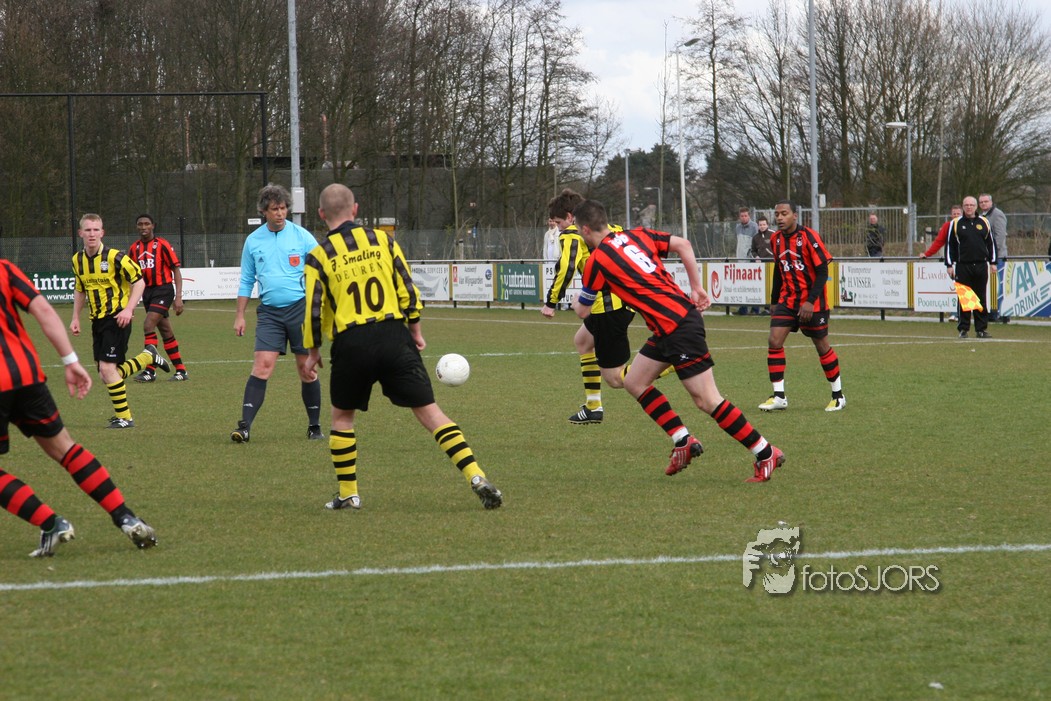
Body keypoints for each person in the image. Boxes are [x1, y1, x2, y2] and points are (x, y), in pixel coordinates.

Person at [300, 184, 502, 510]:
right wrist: (415, 329)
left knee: (342, 418)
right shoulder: (383, 240)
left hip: (351, 343)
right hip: (394, 335)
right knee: (431, 413)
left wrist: (312, 351)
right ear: (355, 209)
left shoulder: (318, 256)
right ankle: (476, 475)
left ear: (322, 215)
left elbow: (313, 308)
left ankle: (349, 494)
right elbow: (407, 287)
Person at [571, 199, 784, 483]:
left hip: (678, 327)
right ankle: (683, 440)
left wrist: (576, 299)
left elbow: (583, 311)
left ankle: (765, 452)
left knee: (707, 400)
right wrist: (696, 288)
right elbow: (683, 244)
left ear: (585, 229)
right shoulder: (637, 235)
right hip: (668, 326)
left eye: (578, 230)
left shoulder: (597, 260)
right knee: (634, 382)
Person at [1, 257, 156, 556]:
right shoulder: (4, 269)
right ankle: (126, 517)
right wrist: (70, 360)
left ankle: (50, 523)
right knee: (65, 449)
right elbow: (44, 310)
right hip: (26, 374)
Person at [230, 185, 323, 443]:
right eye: (274, 209)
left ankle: (314, 426)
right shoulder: (253, 241)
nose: (280, 213)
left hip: (300, 311)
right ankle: (244, 427)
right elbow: (246, 280)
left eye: (283, 208)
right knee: (262, 366)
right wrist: (240, 315)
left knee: (306, 370)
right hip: (270, 314)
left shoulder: (303, 237)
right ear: (263, 211)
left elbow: (321, 270)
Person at [541, 188, 636, 425]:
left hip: (608, 307)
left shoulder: (571, 235)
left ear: (570, 217)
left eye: (559, 222)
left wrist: (551, 302)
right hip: (620, 302)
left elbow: (566, 268)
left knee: (615, 379)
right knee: (583, 341)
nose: (558, 228)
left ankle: (672, 361)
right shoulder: (612, 228)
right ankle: (593, 407)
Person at [70, 213, 171, 429]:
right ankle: (148, 357)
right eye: (87, 230)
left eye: (96, 230)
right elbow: (80, 289)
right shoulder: (77, 260)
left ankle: (125, 417)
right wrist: (75, 317)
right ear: (80, 233)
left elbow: (139, 282)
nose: (92, 234)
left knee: (108, 370)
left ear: (102, 232)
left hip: (117, 318)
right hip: (97, 320)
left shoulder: (116, 257)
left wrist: (128, 309)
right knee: (105, 373)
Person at [758, 200, 846, 413]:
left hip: (813, 303)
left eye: (784, 213)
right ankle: (779, 396)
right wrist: (774, 300)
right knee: (774, 340)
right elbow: (778, 271)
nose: (780, 218)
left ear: (794, 216)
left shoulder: (808, 237)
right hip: (788, 301)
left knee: (821, 346)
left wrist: (810, 301)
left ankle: (838, 395)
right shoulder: (775, 239)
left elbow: (823, 272)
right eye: (777, 214)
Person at [127, 214, 189, 382]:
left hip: (163, 290)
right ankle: (181, 371)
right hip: (147, 293)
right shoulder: (134, 249)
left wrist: (178, 297)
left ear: (153, 225)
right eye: (140, 224)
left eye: (147, 224)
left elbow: (176, 270)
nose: (143, 227)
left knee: (148, 325)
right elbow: (132, 278)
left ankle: (150, 370)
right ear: (137, 227)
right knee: (165, 331)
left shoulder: (162, 245)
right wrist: (130, 304)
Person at [946, 196, 996, 338]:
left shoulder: (984, 222)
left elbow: (991, 244)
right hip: (963, 266)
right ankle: (963, 329)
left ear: (976, 207)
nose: (969, 207)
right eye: (966, 205)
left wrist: (993, 262)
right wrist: (949, 265)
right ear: (963, 207)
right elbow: (950, 245)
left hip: (981, 265)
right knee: (965, 298)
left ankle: (981, 330)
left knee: (980, 298)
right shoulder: (956, 223)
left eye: (971, 205)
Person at [921, 204, 963, 322]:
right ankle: (957, 313)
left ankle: (964, 313)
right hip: (953, 262)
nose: (956, 216)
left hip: (968, 262)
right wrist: (927, 254)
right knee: (960, 287)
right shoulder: (948, 226)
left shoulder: (969, 225)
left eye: (958, 214)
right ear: (951, 215)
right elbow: (939, 242)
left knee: (966, 288)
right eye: (954, 214)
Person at [978, 193, 1009, 322]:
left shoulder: (997, 214)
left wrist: (992, 255)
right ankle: (991, 311)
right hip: (985, 257)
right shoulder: (981, 216)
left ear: (991, 202)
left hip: (998, 256)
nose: (983, 204)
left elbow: (999, 237)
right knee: (989, 285)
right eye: (981, 202)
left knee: (998, 285)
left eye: (986, 201)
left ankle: (1000, 312)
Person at [745, 215, 775, 315]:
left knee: (772, 286)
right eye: (760, 225)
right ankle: (760, 308)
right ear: (758, 225)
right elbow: (753, 250)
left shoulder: (773, 234)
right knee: (761, 286)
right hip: (761, 266)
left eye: (764, 224)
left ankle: (771, 307)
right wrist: (756, 257)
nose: (762, 226)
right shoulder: (755, 237)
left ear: (767, 225)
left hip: (773, 264)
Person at [734, 208, 759, 315]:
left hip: (751, 260)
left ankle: (755, 309)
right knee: (742, 285)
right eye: (742, 216)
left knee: (753, 285)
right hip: (741, 259)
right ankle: (743, 309)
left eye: (745, 216)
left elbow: (756, 243)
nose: (744, 218)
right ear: (739, 217)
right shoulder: (737, 227)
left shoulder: (754, 227)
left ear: (749, 216)